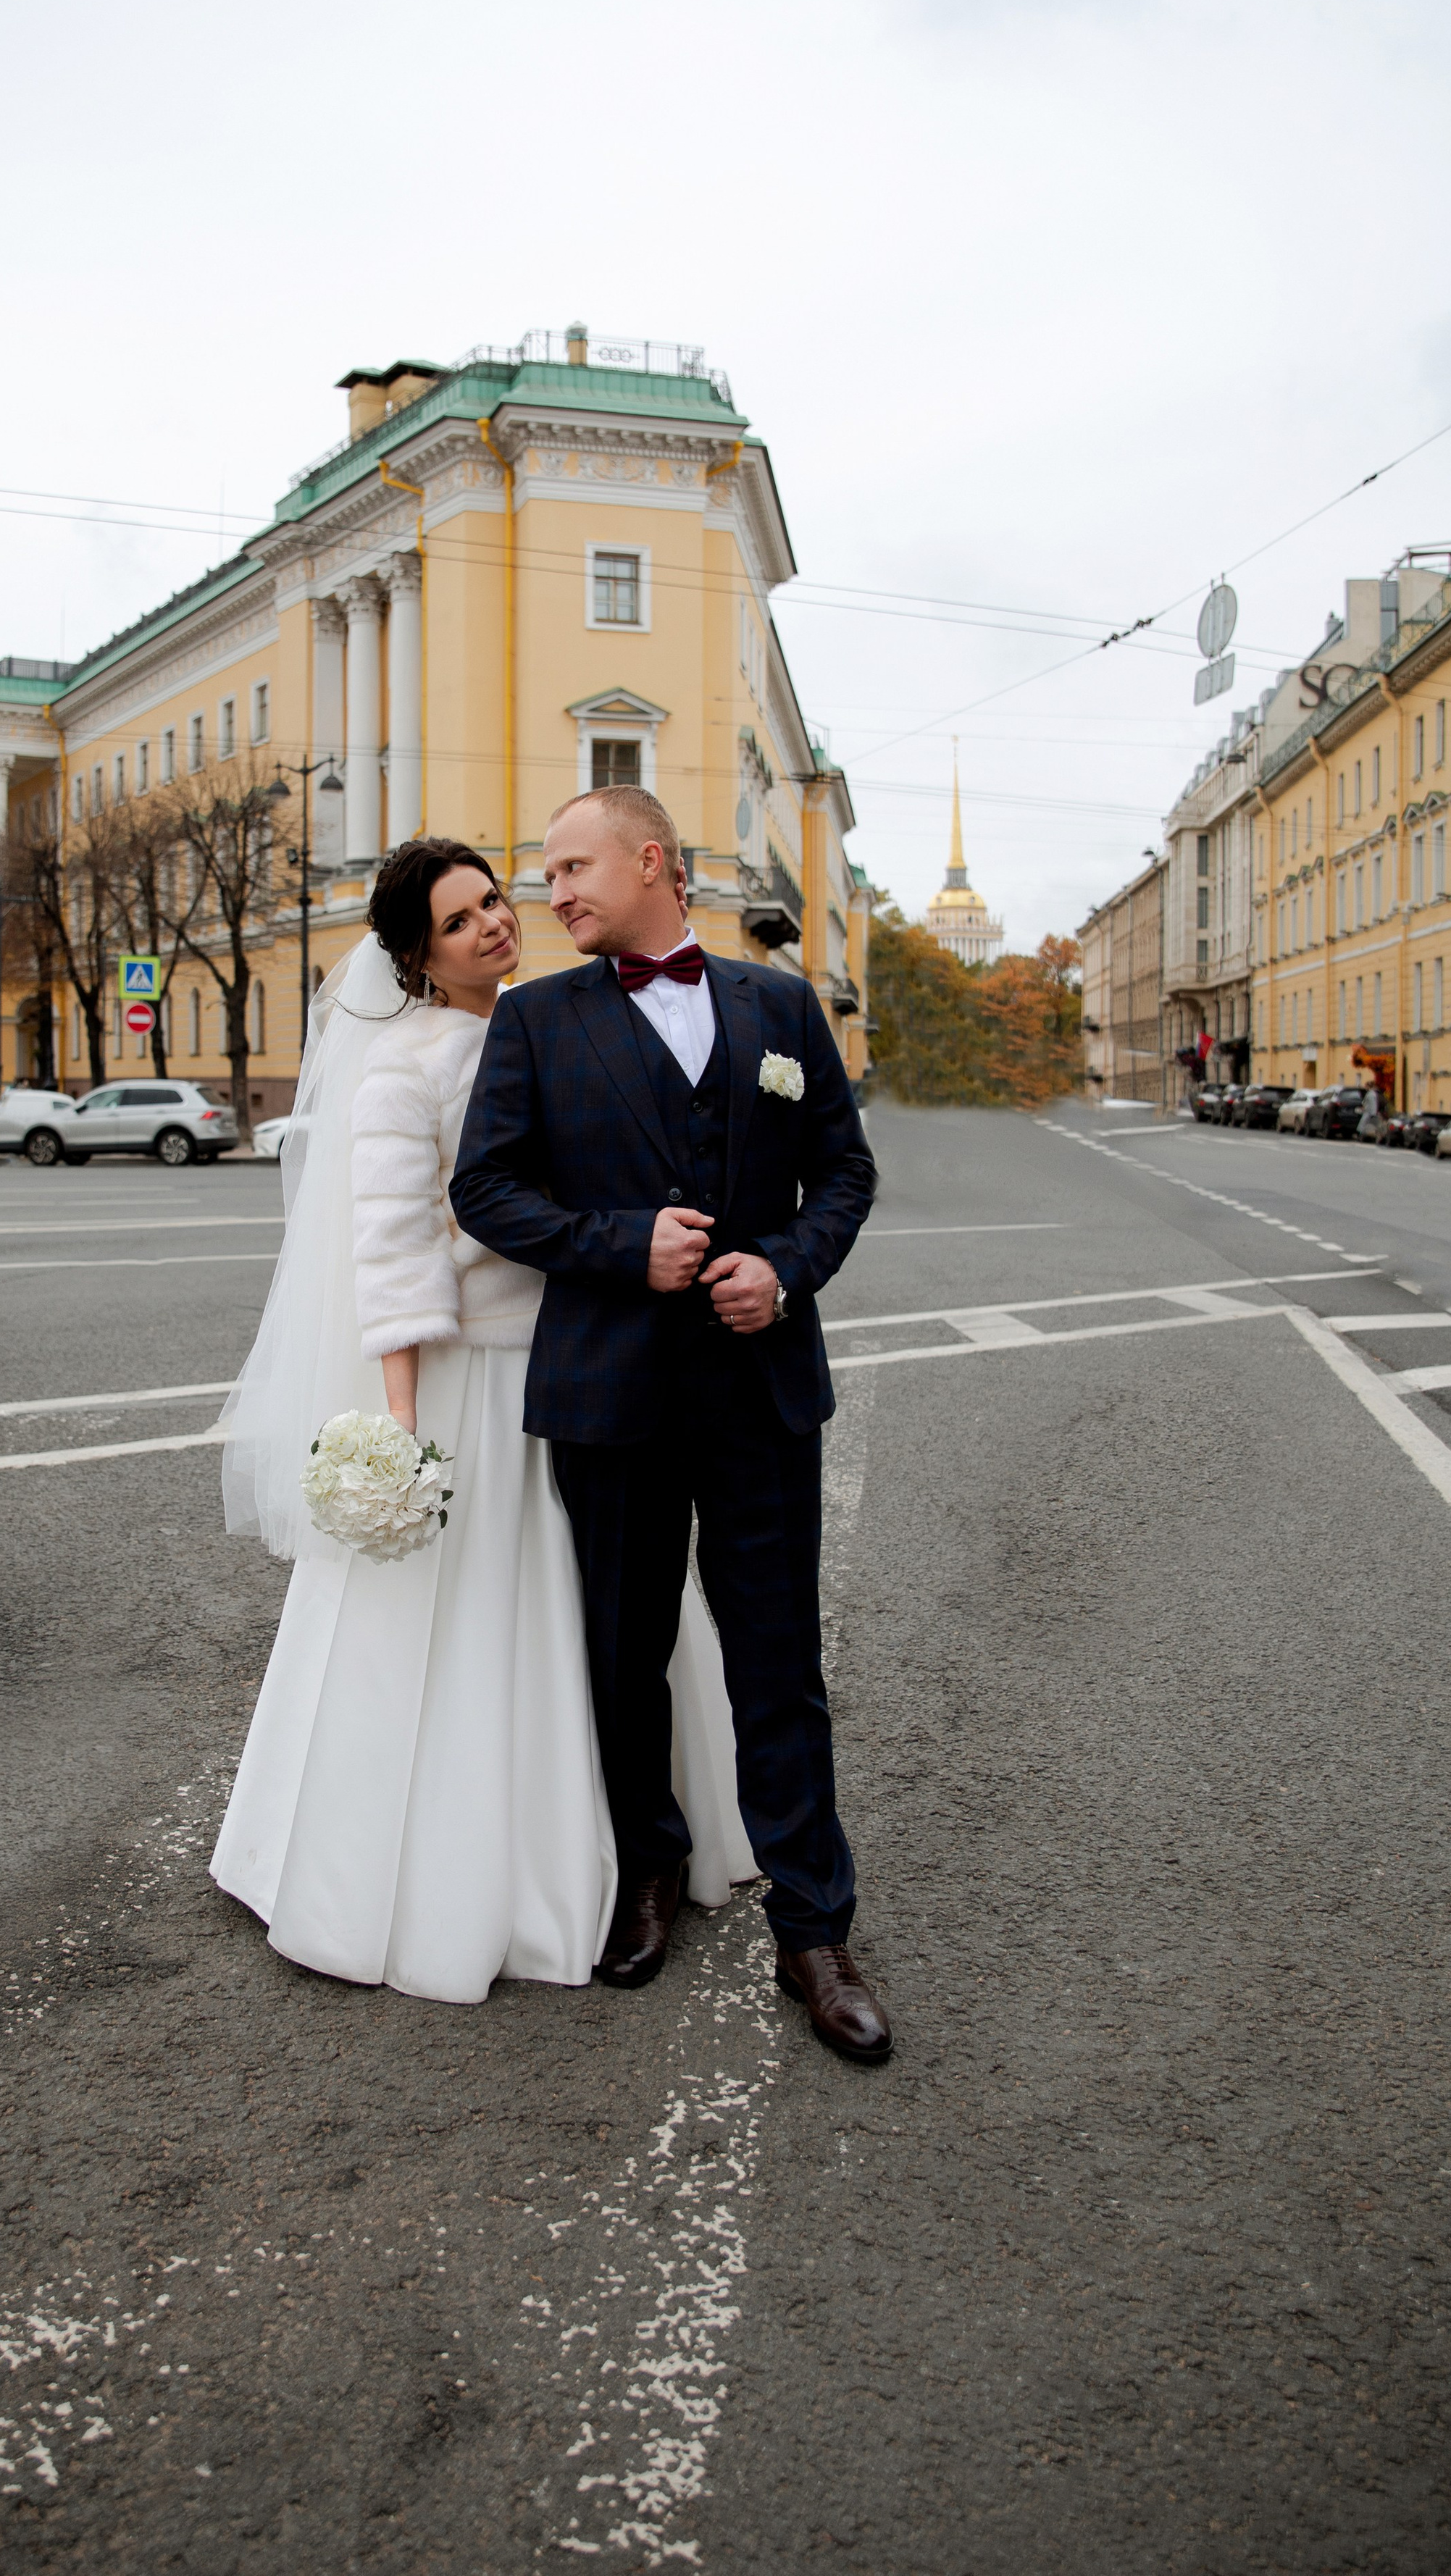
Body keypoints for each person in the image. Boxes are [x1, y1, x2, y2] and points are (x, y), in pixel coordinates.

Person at [211, 836, 754, 2006]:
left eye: (495, 902)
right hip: (474, 1385)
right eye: (461, 922)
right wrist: (406, 1429)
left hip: (575, 1362)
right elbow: (395, 1256)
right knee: (478, 1633)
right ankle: (473, 1875)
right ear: (416, 955)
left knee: (608, 1617)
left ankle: (638, 1842)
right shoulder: (408, 1066)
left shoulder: (554, 1020)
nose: (496, 925)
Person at [448, 788, 890, 2063]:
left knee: (778, 1668)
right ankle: (650, 1875)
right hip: (612, 1396)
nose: (552, 893)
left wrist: (787, 1267)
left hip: (759, 1390)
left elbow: (846, 1169)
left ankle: (815, 1930)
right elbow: (486, 1190)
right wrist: (617, 1246)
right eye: (546, 873)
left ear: (653, 861)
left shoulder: (779, 1006)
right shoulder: (537, 1020)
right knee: (623, 1655)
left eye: (572, 865)